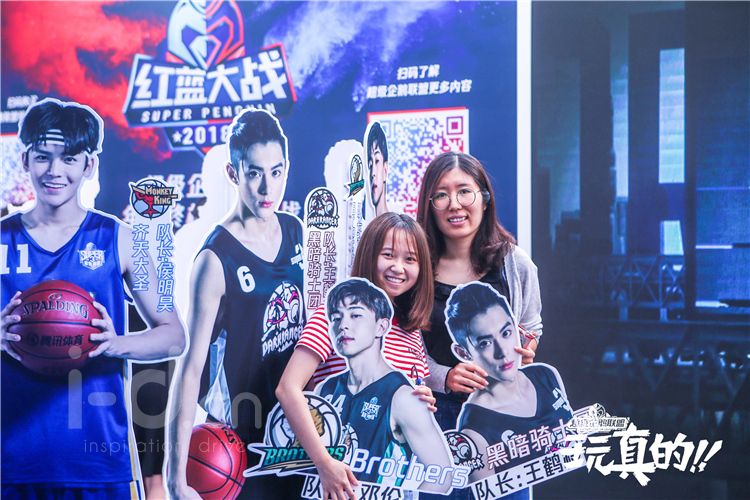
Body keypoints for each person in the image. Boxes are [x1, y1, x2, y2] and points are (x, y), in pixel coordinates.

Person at [0, 98, 186, 498]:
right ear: (26, 159)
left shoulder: (121, 239)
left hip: (99, 463)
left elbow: (174, 335)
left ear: (89, 165)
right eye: (43, 156)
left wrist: (114, 344)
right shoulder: (1, 238)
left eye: (69, 158)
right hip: (12, 463)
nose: (55, 171)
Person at [166, 109, 305, 499]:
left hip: (297, 433)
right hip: (240, 444)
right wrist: (175, 477)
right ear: (233, 173)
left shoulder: (296, 230)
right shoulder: (215, 258)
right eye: (254, 172)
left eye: (276, 172)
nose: (267, 187)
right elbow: (190, 369)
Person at [276, 212, 437, 499]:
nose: (398, 267)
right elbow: (288, 389)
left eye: (410, 259)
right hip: (331, 485)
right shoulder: (333, 318)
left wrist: (423, 400)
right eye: (388, 255)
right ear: (369, 255)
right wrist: (324, 463)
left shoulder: (412, 333)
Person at [415, 151, 542, 498]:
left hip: (504, 420)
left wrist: (526, 348)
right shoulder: (415, 267)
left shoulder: (513, 263)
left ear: (484, 199)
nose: (455, 204)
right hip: (434, 422)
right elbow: (401, 346)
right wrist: (444, 377)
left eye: (464, 191)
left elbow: (531, 324)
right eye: (441, 195)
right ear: (429, 205)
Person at [317, 279, 454, 493]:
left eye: (355, 315)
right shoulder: (327, 389)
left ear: (381, 326)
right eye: (336, 317)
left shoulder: (402, 396)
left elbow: (442, 475)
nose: (343, 325)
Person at [447, 282, 572, 487]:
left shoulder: (546, 375)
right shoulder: (475, 430)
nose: (503, 351)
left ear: (516, 328)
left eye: (506, 333)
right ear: (463, 353)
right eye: (485, 343)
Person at [366, 122, 389, 216]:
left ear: (385, 169)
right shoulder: (364, 223)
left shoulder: (398, 223)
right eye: (370, 165)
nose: (373, 173)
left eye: (377, 161)